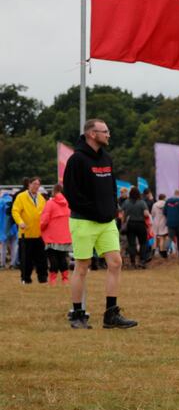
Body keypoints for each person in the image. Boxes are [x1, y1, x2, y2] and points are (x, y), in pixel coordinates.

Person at [62, 118, 137, 329]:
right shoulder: (76, 160)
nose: (108, 134)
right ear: (92, 134)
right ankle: (77, 313)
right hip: (83, 222)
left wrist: (112, 210)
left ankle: (111, 315)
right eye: (105, 131)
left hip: (106, 222)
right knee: (82, 267)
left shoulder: (107, 158)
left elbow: (112, 188)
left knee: (115, 263)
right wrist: (94, 211)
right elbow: (71, 193)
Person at [11, 176, 47, 284]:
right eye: (34, 184)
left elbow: (45, 212)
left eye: (38, 184)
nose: (36, 186)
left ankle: (43, 278)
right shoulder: (21, 197)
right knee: (26, 259)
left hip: (39, 234)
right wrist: (20, 222)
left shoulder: (41, 198)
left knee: (41, 259)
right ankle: (26, 279)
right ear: (29, 184)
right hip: (25, 234)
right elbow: (15, 211)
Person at [40, 183, 72, 285]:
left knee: (52, 258)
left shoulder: (50, 203)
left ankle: (53, 279)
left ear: (54, 191)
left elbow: (44, 220)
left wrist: (40, 228)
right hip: (65, 236)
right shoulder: (68, 203)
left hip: (51, 236)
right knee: (62, 257)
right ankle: (65, 278)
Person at [121, 187, 151, 268]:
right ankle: (142, 261)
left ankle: (133, 262)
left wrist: (123, 224)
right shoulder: (142, 202)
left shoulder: (126, 202)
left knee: (131, 244)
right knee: (143, 243)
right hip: (140, 224)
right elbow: (146, 214)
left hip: (130, 224)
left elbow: (122, 215)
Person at [0, 190, 19, 269]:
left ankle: (2, 264)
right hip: (14, 227)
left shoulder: (1, 202)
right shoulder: (13, 201)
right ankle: (13, 263)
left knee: (3, 247)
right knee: (14, 246)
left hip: (4, 228)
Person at [164, 190, 179, 259]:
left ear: (174, 193)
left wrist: (169, 217)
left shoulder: (167, 201)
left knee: (170, 237)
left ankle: (165, 251)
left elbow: (164, 212)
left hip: (170, 223)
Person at [151, 193, 169, 258]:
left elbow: (152, 214)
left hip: (156, 222)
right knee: (162, 238)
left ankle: (153, 251)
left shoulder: (154, 204)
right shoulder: (166, 204)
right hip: (163, 222)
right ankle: (162, 252)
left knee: (155, 238)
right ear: (164, 198)